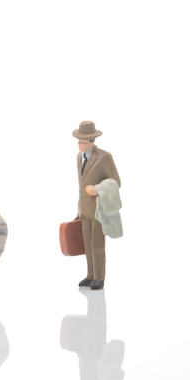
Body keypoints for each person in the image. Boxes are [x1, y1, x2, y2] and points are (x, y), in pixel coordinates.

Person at [73, 121, 121, 290]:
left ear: (92, 141)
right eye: (79, 140)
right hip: (85, 209)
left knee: (97, 245)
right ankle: (90, 275)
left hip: (98, 210)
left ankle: (99, 277)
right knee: (87, 244)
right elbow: (81, 184)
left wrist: (98, 189)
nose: (79, 144)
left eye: (83, 141)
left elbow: (115, 182)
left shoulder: (104, 158)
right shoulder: (80, 157)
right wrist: (79, 208)